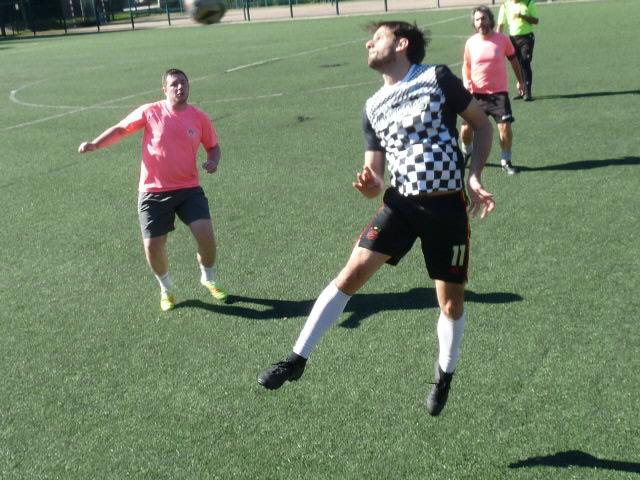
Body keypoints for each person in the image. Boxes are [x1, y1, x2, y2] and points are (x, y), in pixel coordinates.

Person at [257, 21, 495, 417]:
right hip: (401, 206)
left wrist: (474, 176)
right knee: (350, 274)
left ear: (402, 44)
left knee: (451, 304)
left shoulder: (436, 78)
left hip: (446, 208)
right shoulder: (372, 107)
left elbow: (482, 123)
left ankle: (444, 374)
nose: (369, 43)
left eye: (378, 37)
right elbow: (376, 175)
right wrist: (371, 185)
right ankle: (296, 359)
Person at [78, 68, 228, 311]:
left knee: (206, 236)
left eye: (183, 83)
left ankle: (208, 278)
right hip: (153, 192)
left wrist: (213, 161)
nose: (180, 87)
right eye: (174, 84)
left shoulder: (199, 117)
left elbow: (213, 146)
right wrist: (96, 144)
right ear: (165, 89)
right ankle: (166, 289)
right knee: (152, 246)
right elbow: (121, 129)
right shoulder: (150, 112)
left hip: (189, 188)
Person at [460, 5, 525, 176]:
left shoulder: (503, 39)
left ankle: (506, 161)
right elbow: (466, 64)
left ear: (490, 20)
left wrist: (520, 82)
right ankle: (467, 152)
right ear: (474, 23)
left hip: (499, 94)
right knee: (465, 130)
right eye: (477, 19)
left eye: (484, 18)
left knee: (505, 128)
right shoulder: (471, 43)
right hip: (476, 95)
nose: (481, 22)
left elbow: (513, 61)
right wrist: (466, 81)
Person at [497, 0, 539, 101]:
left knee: (525, 62)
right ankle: (522, 90)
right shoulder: (505, 6)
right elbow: (500, 24)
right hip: (512, 39)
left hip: (526, 38)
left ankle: (528, 93)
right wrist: (497, 41)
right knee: (517, 64)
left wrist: (522, 16)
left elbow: (535, 20)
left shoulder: (529, 3)